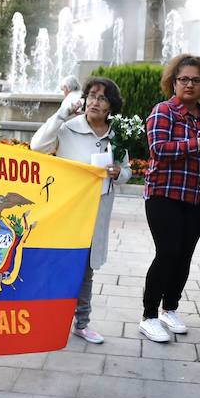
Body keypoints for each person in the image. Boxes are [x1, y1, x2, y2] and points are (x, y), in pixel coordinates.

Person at [31, 76, 129, 345]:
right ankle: (44, 318)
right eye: (92, 96)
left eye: (102, 98)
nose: (95, 102)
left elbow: (127, 170)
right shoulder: (68, 128)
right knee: (57, 262)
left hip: (97, 210)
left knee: (86, 267)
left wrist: (120, 172)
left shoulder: (116, 134)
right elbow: (37, 147)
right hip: (67, 210)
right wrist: (61, 114)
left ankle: (82, 323)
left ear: (111, 106)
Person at [139, 54, 200, 343]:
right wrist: (197, 143)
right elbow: (159, 148)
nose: (189, 84)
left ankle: (169, 308)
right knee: (167, 253)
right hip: (164, 194)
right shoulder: (163, 111)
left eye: (196, 80)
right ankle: (149, 315)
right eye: (183, 79)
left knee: (185, 255)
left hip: (196, 195)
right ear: (173, 82)